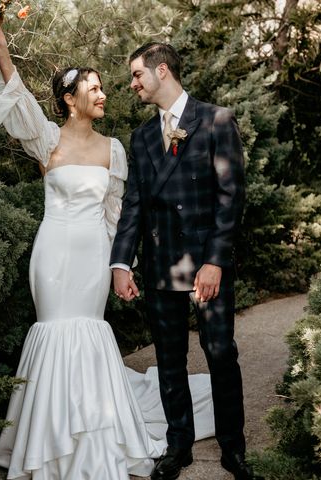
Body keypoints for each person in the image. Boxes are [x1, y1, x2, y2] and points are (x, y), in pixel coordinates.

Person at [0, 23, 215, 479]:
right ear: (71, 99)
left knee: (89, 331)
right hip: (52, 252)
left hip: (93, 254)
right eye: (94, 88)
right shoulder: (46, 139)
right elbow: (19, 97)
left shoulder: (114, 149)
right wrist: (2, 50)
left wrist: (121, 266)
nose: (104, 93)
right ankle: (47, 442)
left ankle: (95, 437)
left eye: (104, 87)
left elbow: (117, 215)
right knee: (52, 329)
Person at [111, 42, 257, 480]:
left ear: (161, 71)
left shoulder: (216, 120)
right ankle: (178, 448)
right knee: (170, 360)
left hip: (206, 265)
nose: (133, 83)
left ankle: (234, 449)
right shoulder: (141, 136)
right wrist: (121, 263)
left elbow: (231, 198)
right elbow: (133, 205)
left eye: (137, 75)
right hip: (159, 266)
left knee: (220, 355)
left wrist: (214, 261)